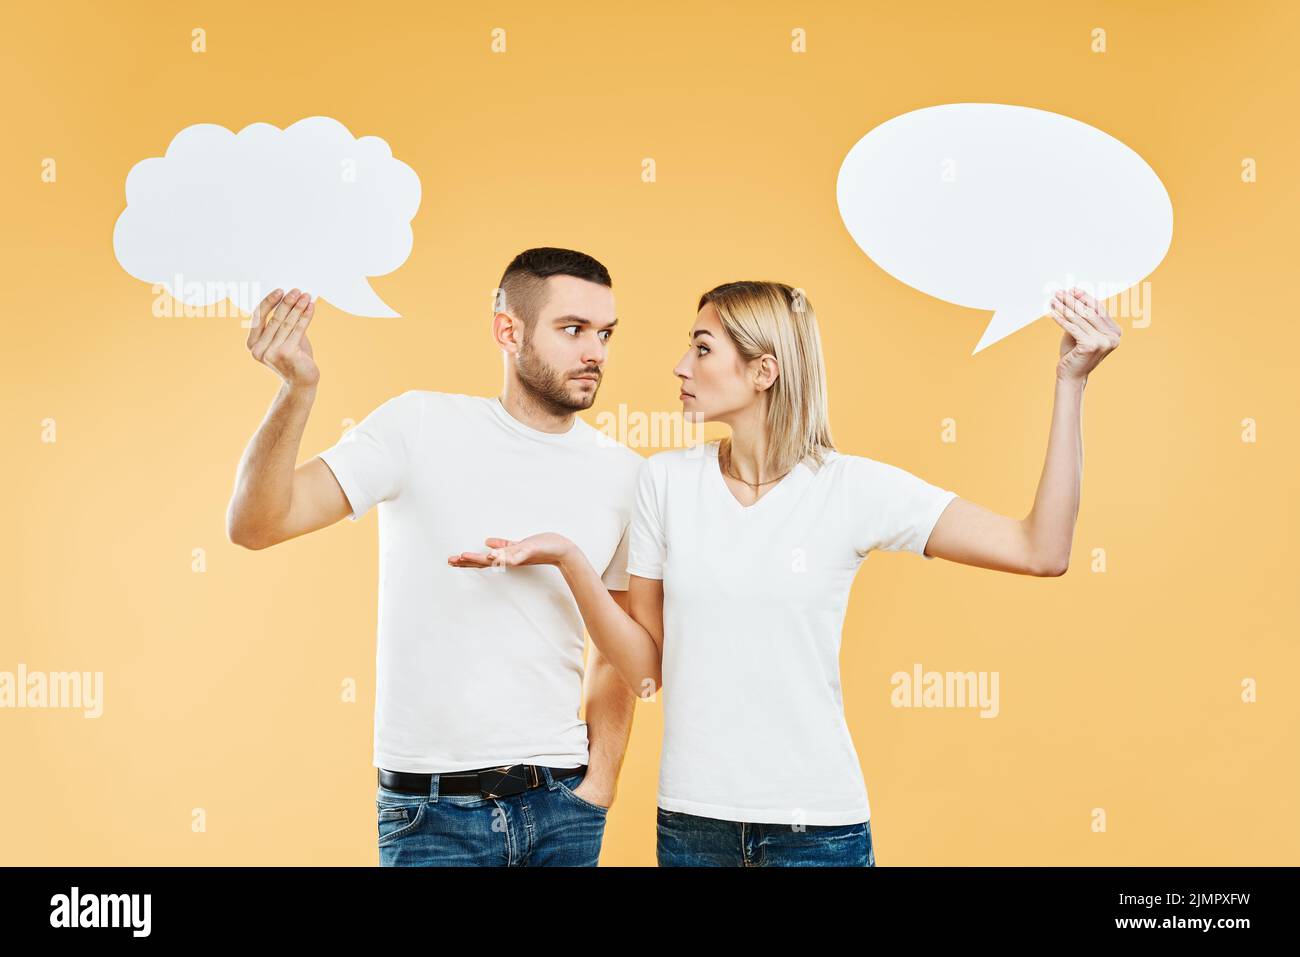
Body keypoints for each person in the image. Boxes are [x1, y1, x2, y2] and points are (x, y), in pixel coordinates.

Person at [449, 279, 1120, 866]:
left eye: (703, 348)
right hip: (693, 828)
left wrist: (1072, 382)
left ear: (764, 370)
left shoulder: (852, 489)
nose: (681, 365)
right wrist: (571, 560)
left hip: (820, 833)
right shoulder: (664, 484)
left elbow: (1042, 549)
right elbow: (647, 671)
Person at [226, 247, 643, 866]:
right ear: (509, 330)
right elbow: (258, 524)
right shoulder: (417, 426)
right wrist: (297, 389)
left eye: (605, 334)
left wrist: (600, 784)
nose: (596, 354)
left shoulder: (625, 476)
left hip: (561, 807)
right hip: (431, 813)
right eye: (573, 330)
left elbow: (617, 650)